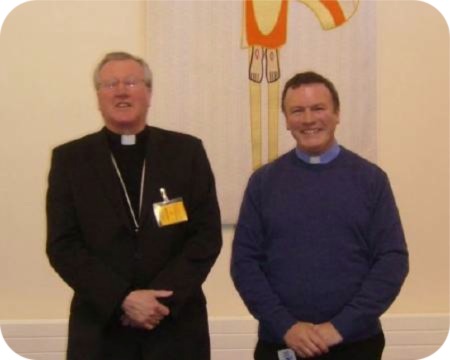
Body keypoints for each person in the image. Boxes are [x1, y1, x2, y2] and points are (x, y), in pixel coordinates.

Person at [46, 51, 222, 360]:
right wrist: (121, 299)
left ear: (149, 93)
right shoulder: (70, 160)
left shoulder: (187, 152)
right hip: (102, 329)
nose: (121, 91)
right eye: (110, 83)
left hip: (176, 326)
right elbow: (63, 245)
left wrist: (157, 301)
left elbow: (206, 236)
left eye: (131, 82)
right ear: (98, 96)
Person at [231, 71, 408, 360]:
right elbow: (245, 264)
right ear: (286, 120)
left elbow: (392, 260)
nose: (309, 119)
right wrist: (285, 326)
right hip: (281, 342)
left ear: (337, 114)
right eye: (297, 111)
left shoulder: (370, 180)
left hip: (355, 344)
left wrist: (340, 327)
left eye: (318, 108)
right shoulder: (263, 182)